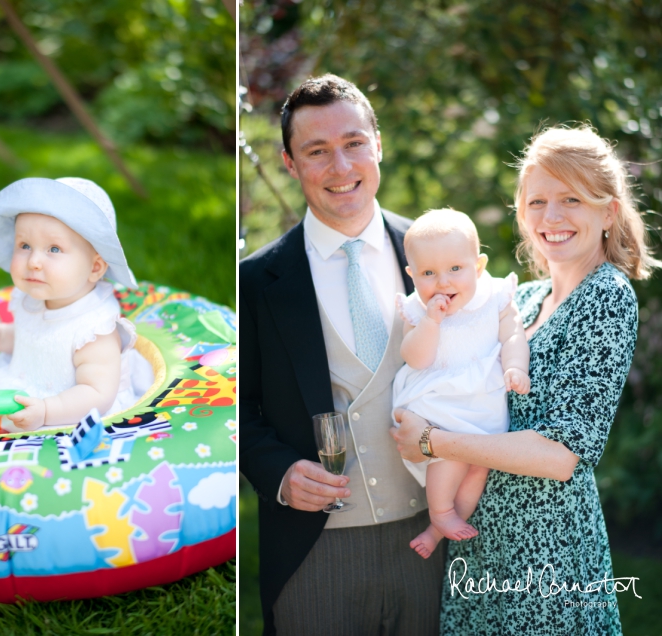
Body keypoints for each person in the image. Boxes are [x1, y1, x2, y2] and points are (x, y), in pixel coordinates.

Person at [391, 125, 659, 635]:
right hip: (482, 544)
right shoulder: (525, 300)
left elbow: (561, 456)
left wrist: (432, 440)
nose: (551, 218)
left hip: (546, 553)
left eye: (571, 200)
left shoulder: (606, 297)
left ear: (607, 212)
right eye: (537, 201)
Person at [240, 74, 444, 635]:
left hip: (435, 540)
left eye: (354, 143)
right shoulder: (256, 282)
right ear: (289, 162)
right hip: (313, 554)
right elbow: (237, 407)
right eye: (317, 151)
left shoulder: (436, 258)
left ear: (378, 144)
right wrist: (278, 472)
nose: (341, 166)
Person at [0, 177, 152, 432]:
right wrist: (0, 336)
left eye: (54, 249)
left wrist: (46, 411)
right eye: (24, 245)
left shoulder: (95, 329)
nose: (33, 260)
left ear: (95, 267)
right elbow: (39, 343)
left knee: (23, 430)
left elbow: (97, 393)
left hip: (68, 408)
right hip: (27, 385)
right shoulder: (34, 299)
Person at [392, 208, 530, 560]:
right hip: (438, 403)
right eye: (428, 273)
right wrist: (431, 323)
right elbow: (416, 357)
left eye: (455, 268)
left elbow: (513, 334)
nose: (443, 282)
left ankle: (441, 529)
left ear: (479, 266)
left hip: (482, 402)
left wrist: (515, 367)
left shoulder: (496, 296)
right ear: (412, 276)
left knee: (479, 463)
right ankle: (439, 514)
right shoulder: (416, 310)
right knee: (448, 457)